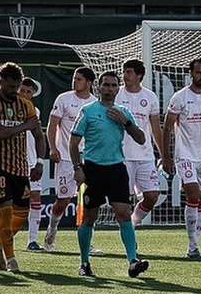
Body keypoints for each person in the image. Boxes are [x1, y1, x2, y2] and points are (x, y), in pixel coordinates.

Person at [69, 71, 150, 279]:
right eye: (106, 85)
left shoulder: (123, 112)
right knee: (89, 218)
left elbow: (141, 139)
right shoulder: (88, 111)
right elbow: (74, 141)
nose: (109, 89)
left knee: (123, 213)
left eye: (114, 86)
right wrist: (78, 168)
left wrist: (126, 122)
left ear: (117, 89)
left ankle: (133, 261)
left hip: (116, 169)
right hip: (93, 170)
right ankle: (84, 262)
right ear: (99, 88)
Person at [0, 63, 45, 272]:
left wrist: (40, 162)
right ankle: (11, 258)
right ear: (0, 82)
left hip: (21, 165)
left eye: (16, 87)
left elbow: (39, 134)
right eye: (9, 86)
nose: (13, 91)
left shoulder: (25, 105)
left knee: (22, 213)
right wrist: (26, 126)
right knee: (5, 211)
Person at [162, 57, 201, 259]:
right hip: (185, 155)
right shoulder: (180, 97)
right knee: (194, 195)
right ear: (191, 73)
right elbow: (168, 127)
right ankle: (192, 246)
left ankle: (195, 245)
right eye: (198, 73)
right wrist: (167, 156)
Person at [43, 66, 95, 251]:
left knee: (89, 200)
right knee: (63, 201)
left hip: (89, 158)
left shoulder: (95, 103)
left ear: (89, 83)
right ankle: (51, 232)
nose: (75, 81)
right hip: (66, 157)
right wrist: (53, 148)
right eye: (74, 78)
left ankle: (87, 242)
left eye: (79, 79)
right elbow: (52, 125)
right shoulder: (64, 99)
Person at [120, 59, 163, 226]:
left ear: (139, 75)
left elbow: (155, 128)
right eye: (124, 71)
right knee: (122, 200)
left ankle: (133, 223)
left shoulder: (150, 97)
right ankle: (127, 234)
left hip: (145, 156)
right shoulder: (117, 94)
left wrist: (164, 155)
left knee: (152, 196)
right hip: (122, 155)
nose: (125, 75)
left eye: (129, 72)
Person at [18, 77, 46, 251]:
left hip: (31, 160)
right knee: (9, 200)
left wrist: (39, 161)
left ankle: (32, 240)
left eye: (29, 92)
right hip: (12, 161)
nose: (26, 94)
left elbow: (37, 136)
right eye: (23, 90)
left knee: (35, 197)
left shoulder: (34, 111)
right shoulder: (7, 108)